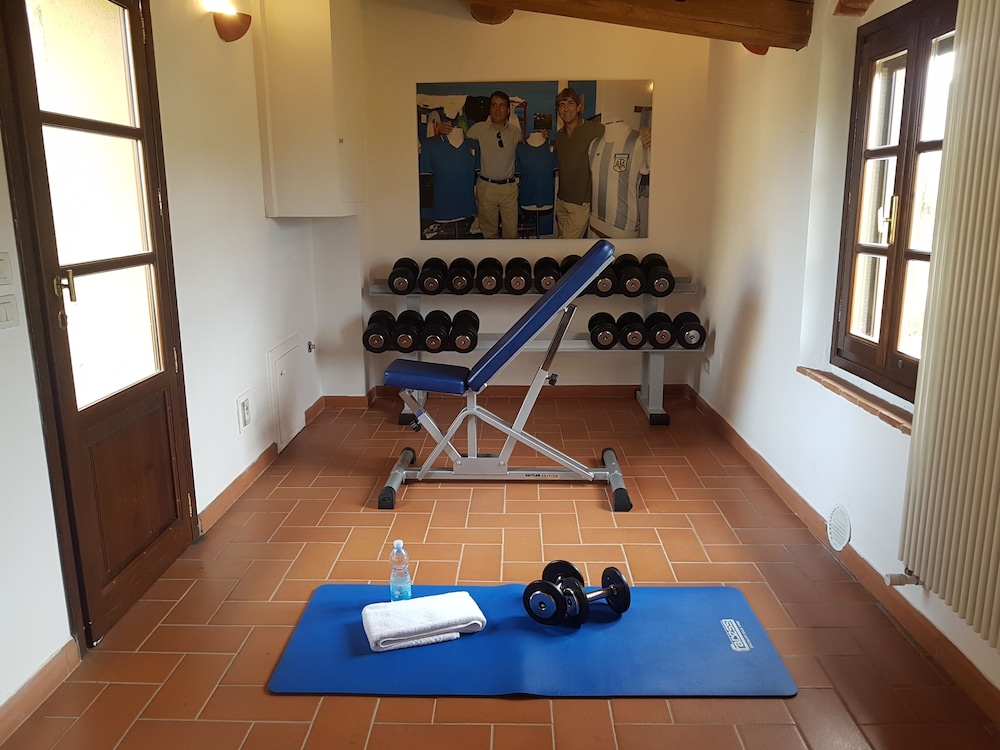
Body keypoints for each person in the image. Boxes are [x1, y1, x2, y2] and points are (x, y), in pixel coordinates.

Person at [466, 91, 522, 239]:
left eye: (502, 105)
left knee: (511, 235)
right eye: (494, 105)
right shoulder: (476, 130)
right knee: (489, 235)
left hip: (509, 189)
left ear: (508, 110)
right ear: (490, 108)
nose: (498, 109)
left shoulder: (516, 133)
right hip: (486, 188)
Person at [553, 88, 605, 239]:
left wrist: (645, 133)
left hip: (580, 203)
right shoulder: (559, 136)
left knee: (566, 245)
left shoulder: (595, 129)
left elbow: (619, 134)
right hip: (561, 200)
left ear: (579, 107)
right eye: (561, 105)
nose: (566, 109)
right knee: (563, 243)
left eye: (570, 103)